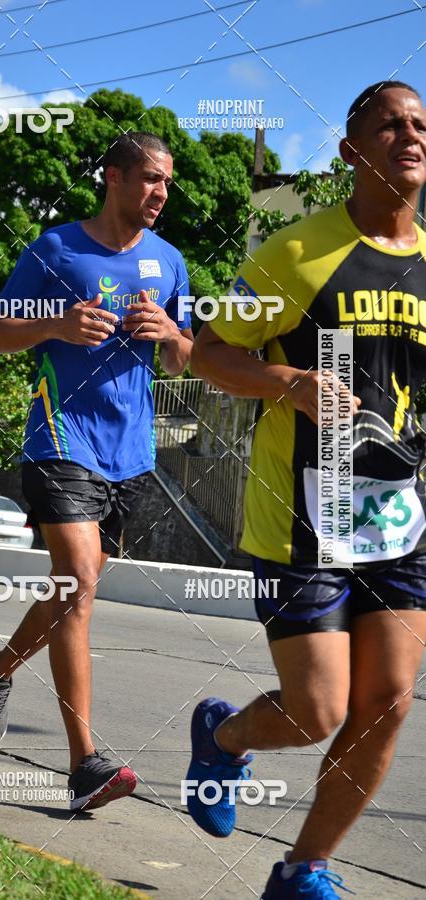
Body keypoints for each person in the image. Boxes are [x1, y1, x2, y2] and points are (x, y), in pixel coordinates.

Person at [185, 81, 426, 898]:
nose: (411, 135)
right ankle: (222, 740)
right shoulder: (295, 252)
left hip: (399, 522)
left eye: (421, 124)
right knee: (319, 711)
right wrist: (286, 382)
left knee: (387, 703)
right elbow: (207, 352)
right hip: (301, 520)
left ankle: (302, 872)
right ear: (351, 152)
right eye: (390, 125)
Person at [0, 132, 193, 812]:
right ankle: (85, 765)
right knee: (79, 581)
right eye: (150, 179)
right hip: (59, 436)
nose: (159, 194)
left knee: (74, 589)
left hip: (129, 453)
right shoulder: (56, 249)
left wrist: (170, 335)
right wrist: (57, 324)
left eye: (166, 184)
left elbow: (189, 359)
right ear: (115, 176)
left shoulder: (170, 262)